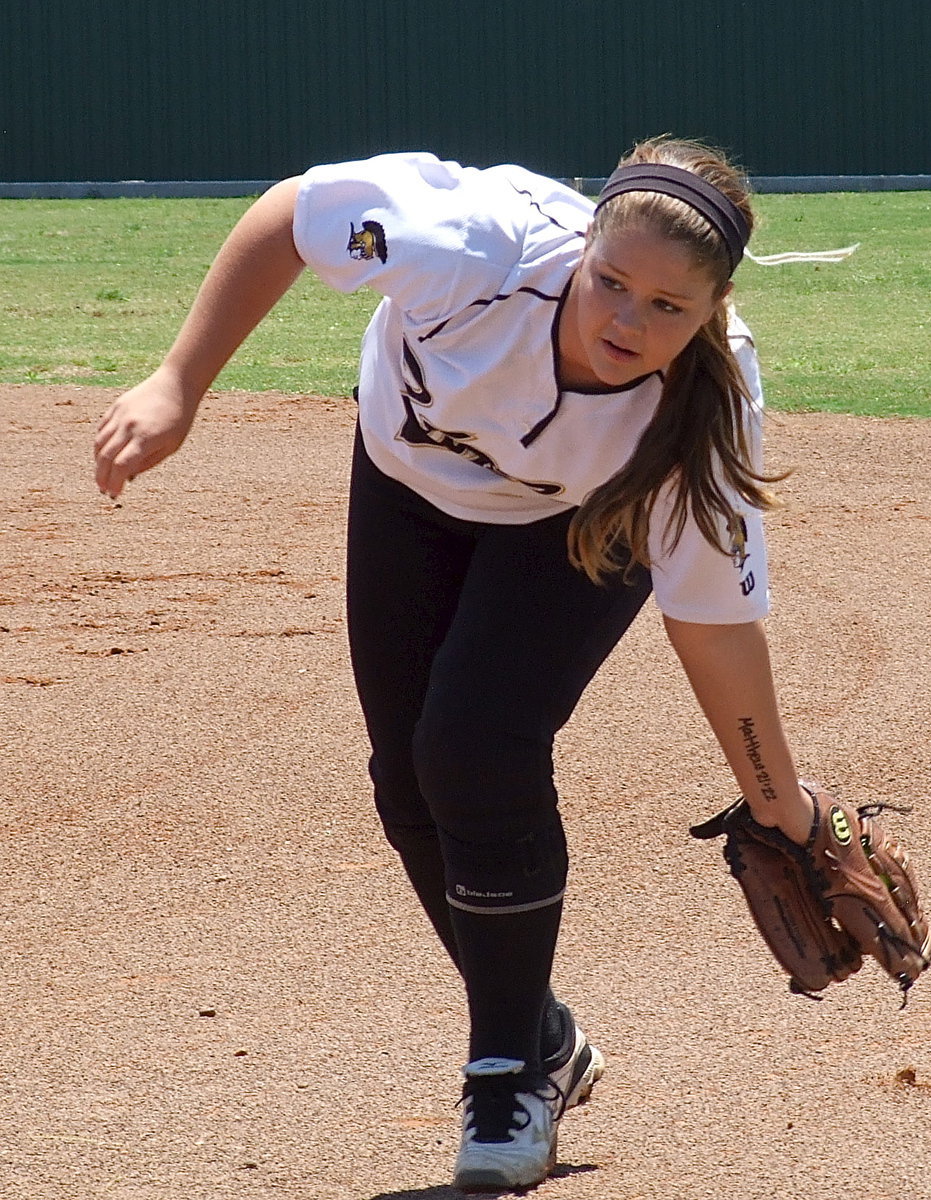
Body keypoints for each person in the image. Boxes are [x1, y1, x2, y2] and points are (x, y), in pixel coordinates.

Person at [94, 136, 820, 1193]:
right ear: (582, 250)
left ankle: (505, 1072)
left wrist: (778, 804)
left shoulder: (701, 412)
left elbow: (711, 622)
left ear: (711, 313)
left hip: (580, 521)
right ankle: (543, 1036)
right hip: (406, 481)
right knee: (408, 781)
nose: (626, 321)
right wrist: (178, 381)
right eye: (610, 283)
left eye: (667, 308)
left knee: (475, 745)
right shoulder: (476, 245)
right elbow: (295, 214)